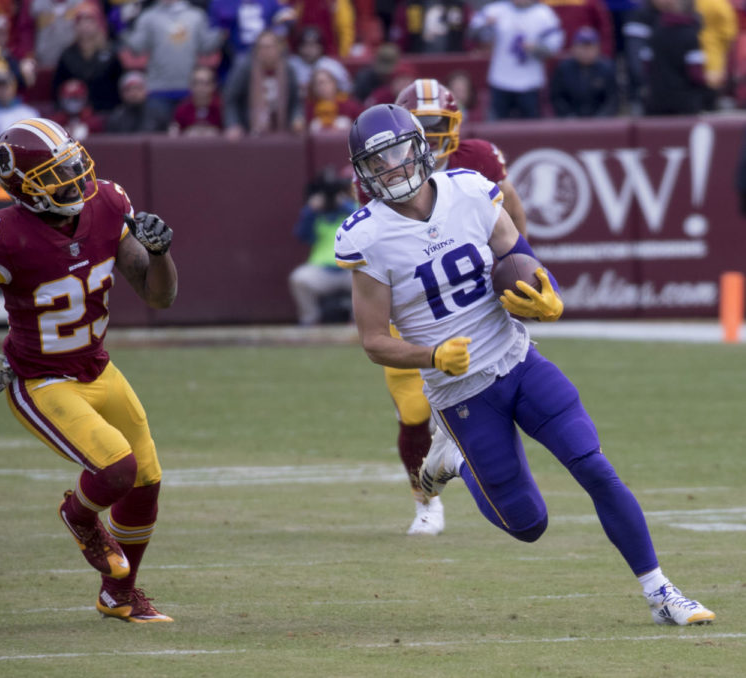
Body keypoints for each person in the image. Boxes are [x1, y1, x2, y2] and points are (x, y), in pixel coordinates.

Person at [336, 102, 716, 627]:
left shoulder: (469, 190)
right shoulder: (366, 236)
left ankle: (661, 593)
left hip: (519, 361)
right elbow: (375, 340)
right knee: (528, 524)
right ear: (363, 172)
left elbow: (519, 254)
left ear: (420, 150)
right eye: (376, 163)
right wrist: (431, 356)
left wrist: (548, 294)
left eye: (398, 153)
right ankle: (454, 462)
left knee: (594, 467)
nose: (392, 168)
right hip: (460, 393)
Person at [0, 117, 178, 624]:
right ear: (26, 189)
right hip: (41, 381)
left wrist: (162, 254)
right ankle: (77, 515)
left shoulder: (107, 203)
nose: (76, 178)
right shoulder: (6, 237)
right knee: (116, 469)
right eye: (58, 173)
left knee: (146, 481)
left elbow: (158, 296)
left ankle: (119, 595)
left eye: (74, 164)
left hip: (97, 368)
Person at [369, 78, 527, 536]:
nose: (432, 134)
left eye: (439, 124)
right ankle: (425, 501)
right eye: (421, 125)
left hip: (473, 304)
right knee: (413, 412)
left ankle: (492, 470)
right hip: (415, 311)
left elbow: (511, 206)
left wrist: (520, 263)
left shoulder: (476, 159)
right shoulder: (382, 174)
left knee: (502, 389)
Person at [124, 0, 222, 132]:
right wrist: (122, 27)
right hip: (158, 91)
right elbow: (137, 47)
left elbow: (206, 47)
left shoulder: (196, 15)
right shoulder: (148, 16)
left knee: (187, 145)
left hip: (190, 91)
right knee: (157, 141)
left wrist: (222, 28)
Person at [469, 0, 564, 120]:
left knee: (530, 127)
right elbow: (471, 34)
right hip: (501, 79)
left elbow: (554, 47)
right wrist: (486, 25)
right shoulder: (496, 10)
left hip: (530, 81)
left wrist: (535, 48)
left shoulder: (544, 14)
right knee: (498, 126)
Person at [289, 166, 356, 325]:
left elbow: (361, 218)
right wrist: (310, 210)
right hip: (322, 270)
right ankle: (310, 320)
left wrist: (344, 204)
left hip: (351, 268)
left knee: (371, 277)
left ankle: (358, 322)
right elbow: (301, 235)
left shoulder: (349, 211)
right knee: (299, 278)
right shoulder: (315, 215)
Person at [221, 29, 304, 138]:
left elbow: (295, 101)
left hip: (283, 131)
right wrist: (233, 124)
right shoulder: (245, 68)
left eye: (269, 47)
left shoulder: (288, 69)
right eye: (261, 47)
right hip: (249, 131)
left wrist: (296, 118)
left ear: (278, 48)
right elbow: (231, 99)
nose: (265, 51)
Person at [52, 2, 124, 113]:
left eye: (89, 20)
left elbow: (119, 88)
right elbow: (57, 89)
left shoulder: (111, 54)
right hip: (75, 114)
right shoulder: (67, 55)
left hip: (106, 113)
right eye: (80, 21)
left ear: (99, 24)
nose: (85, 25)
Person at [549, 26, 619, 117]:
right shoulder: (563, 68)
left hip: (601, 123)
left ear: (598, 49)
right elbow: (557, 97)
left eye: (590, 47)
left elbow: (613, 99)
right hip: (569, 122)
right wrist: (569, 117)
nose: (586, 51)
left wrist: (600, 119)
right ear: (573, 48)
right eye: (582, 47)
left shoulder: (607, 68)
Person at [168, 64, 224, 136]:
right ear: (190, 85)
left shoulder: (222, 108)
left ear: (213, 85)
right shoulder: (182, 109)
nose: (200, 87)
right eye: (196, 83)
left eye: (205, 83)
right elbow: (174, 134)